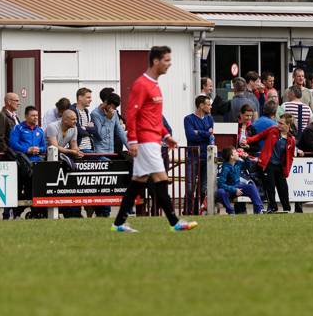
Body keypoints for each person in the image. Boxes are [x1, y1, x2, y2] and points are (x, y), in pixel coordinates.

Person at [112, 46, 197, 234]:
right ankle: (175, 222)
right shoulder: (141, 84)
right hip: (145, 141)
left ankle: (118, 223)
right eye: (166, 60)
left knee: (138, 181)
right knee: (161, 178)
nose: (170, 64)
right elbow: (131, 113)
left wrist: (166, 135)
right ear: (156, 61)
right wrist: (132, 140)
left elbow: (154, 117)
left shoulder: (154, 84)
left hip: (153, 139)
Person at [245, 114, 298, 213]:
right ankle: (273, 207)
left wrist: (287, 170)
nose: (278, 125)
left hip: (279, 166)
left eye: (281, 123)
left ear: (288, 125)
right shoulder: (273, 130)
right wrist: (247, 140)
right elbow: (259, 136)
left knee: (283, 187)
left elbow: (290, 158)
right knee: (270, 187)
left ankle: (287, 208)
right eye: (278, 122)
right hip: (268, 164)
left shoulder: (291, 140)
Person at [182, 94, 214, 215]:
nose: (210, 107)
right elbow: (190, 136)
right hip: (193, 156)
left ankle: (196, 211)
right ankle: (187, 211)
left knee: (203, 188)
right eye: (208, 104)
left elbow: (211, 136)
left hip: (206, 156)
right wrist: (206, 133)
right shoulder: (188, 119)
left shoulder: (210, 119)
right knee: (190, 187)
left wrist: (198, 132)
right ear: (201, 105)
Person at [0, 92, 22, 219]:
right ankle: (7, 212)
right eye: (16, 100)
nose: (18, 103)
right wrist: (10, 153)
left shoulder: (15, 116)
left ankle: (15, 212)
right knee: (10, 185)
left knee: (18, 184)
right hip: (9, 157)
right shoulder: (2, 116)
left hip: (17, 155)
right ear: (8, 102)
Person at [215, 146, 265, 215]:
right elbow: (220, 184)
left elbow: (249, 167)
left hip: (238, 187)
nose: (238, 153)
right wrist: (234, 190)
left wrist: (246, 158)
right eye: (235, 152)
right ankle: (231, 211)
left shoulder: (238, 163)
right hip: (229, 190)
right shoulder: (226, 168)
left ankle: (259, 210)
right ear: (231, 156)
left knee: (251, 187)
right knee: (220, 191)